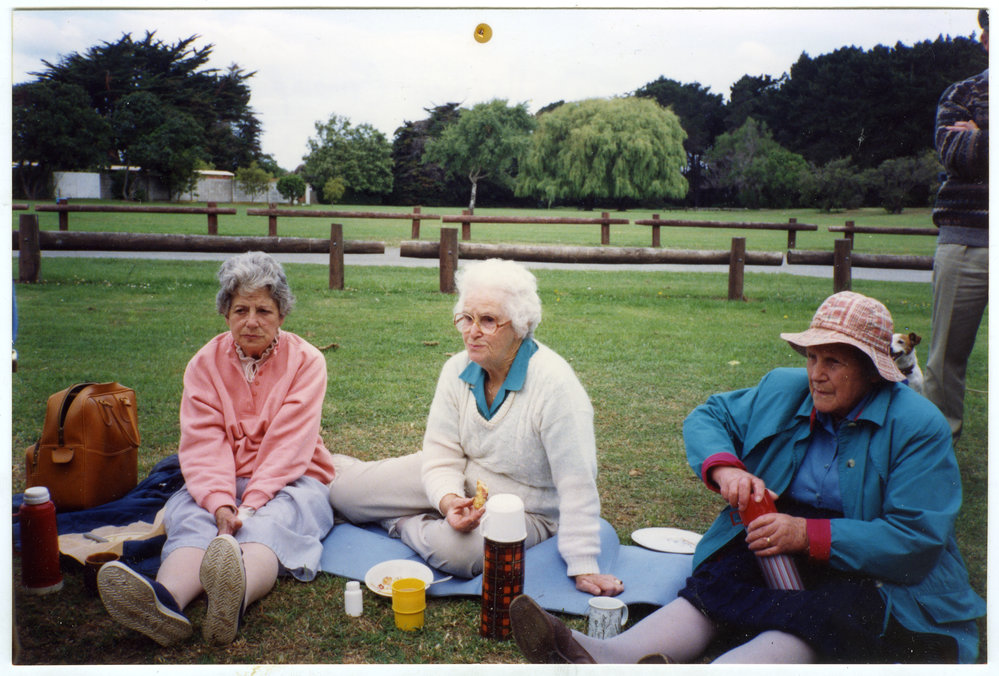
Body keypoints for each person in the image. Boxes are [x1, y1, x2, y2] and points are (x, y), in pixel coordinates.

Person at [509, 291, 985, 664]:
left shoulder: (918, 425)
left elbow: (915, 539)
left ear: (873, 371)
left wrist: (804, 533)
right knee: (723, 574)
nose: (816, 374)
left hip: (870, 563)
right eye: (812, 358)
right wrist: (725, 467)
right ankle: (609, 654)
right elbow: (708, 416)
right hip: (780, 533)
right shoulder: (786, 387)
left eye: (834, 362)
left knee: (832, 607)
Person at [329, 258, 622, 596]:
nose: (472, 331)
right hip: (463, 476)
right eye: (466, 318)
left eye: (488, 320)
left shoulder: (556, 387)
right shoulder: (456, 369)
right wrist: (449, 499)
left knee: (456, 553)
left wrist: (583, 562)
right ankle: (373, 486)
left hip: (527, 509)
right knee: (342, 495)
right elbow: (441, 453)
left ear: (520, 326)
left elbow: (577, 482)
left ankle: (400, 521)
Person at [97, 251, 336, 646]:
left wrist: (250, 505)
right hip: (221, 479)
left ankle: (233, 600)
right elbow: (204, 443)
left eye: (264, 310)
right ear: (226, 313)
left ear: (282, 315)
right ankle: (166, 602)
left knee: (267, 525)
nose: (252, 321)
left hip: (290, 478)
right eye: (241, 309)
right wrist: (220, 503)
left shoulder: (307, 361)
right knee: (193, 517)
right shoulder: (204, 363)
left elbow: (288, 447)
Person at [924, 8, 989, 440]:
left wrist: (983, 131)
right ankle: (931, 453)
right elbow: (960, 155)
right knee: (944, 358)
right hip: (966, 242)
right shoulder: (961, 93)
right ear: (985, 39)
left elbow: (979, 148)